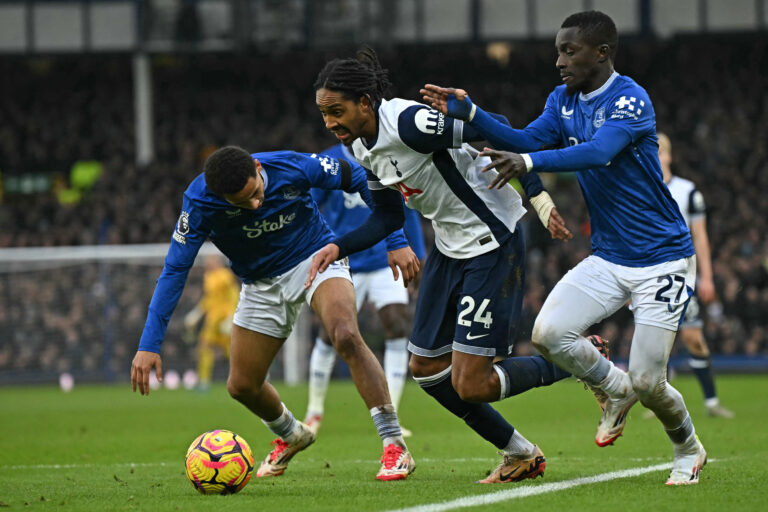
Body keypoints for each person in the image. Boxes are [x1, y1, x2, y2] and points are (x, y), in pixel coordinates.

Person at [421, 10, 707, 485]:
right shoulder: (562, 100)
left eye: (569, 51)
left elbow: (599, 151)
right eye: (558, 51)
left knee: (648, 381)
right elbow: (524, 139)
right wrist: (471, 113)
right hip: (610, 256)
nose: (559, 61)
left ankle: (687, 448)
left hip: (663, 259)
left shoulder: (629, 98)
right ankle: (612, 387)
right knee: (549, 334)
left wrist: (529, 162)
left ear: (602, 53)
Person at [308, 46, 583, 484]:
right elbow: (387, 217)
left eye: (336, 111)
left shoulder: (409, 123)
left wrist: (537, 193)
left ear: (364, 103)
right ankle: (520, 453)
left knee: (471, 383)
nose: (329, 123)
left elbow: (499, 129)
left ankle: (574, 361)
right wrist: (337, 247)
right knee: (425, 369)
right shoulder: (360, 146)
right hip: (450, 246)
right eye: (324, 114)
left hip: (493, 239)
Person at [131, 145, 418, 481]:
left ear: (257, 167)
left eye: (255, 193)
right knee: (242, 386)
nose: (255, 204)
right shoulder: (199, 203)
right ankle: (293, 434)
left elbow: (357, 175)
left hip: (315, 257)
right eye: (242, 203)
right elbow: (174, 270)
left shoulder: (291, 166)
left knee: (344, 334)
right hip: (260, 283)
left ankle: (394, 444)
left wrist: (395, 238)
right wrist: (149, 344)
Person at [304, 142, 427, 436]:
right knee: (332, 333)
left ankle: (392, 413)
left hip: (385, 258)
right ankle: (314, 411)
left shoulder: (388, 154)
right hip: (344, 260)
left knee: (397, 324)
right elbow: (310, 204)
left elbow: (406, 208)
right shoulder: (330, 159)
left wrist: (418, 254)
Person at [655, 132, 733, 418]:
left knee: (693, 338)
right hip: (650, 276)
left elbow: (700, 236)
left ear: (670, 156)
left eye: (660, 151)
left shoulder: (687, 191)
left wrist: (707, 277)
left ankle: (711, 402)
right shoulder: (641, 189)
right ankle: (658, 400)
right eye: (652, 151)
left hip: (682, 277)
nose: (656, 156)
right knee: (656, 344)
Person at [183, 254, 240, 391]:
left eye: (211, 260)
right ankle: (204, 382)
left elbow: (234, 295)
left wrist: (231, 317)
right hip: (212, 319)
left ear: (218, 261)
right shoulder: (208, 277)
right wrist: (196, 314)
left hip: (224, 318)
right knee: (204, 347)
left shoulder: (225, 276)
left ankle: (249, 376)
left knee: (232, 350)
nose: (208, 263)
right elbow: (208, 300)